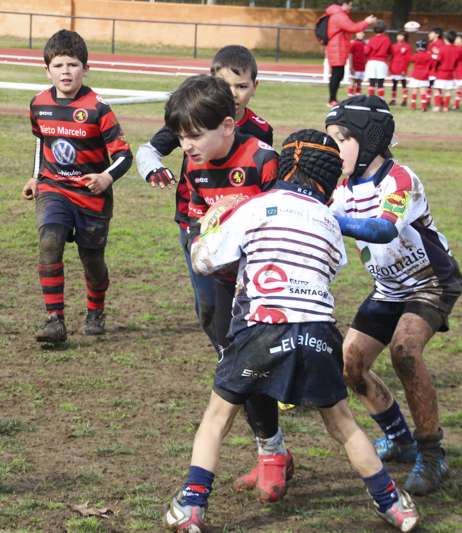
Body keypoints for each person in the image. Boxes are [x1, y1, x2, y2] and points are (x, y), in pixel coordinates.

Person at [162, 128, 419, 533]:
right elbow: (330, 269)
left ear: (283, 167)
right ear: (330, 180)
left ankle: (192, 505)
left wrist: (202, 228)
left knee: (217, 418)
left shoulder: (253, 206)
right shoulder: (331, 223)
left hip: (260, 329)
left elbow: (204, 262)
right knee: (342, 424)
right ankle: (392, 503)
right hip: (319, 331)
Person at [165, 74, 298, 504]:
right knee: (239, 369)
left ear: (227, 125)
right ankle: (272, 454)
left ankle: (276, 458)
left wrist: (240, 207)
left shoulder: (264, 160)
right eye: (180, 136)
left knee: (267, 372)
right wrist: (206, 227)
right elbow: (190, 217)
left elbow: (291, 218)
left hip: (267, 288)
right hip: (226, 285)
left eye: (194, 135)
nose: (186, 145)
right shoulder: (194, 164)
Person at [325, 95, 462, 496]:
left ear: (368, 140)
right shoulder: (341, 187)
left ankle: (433, 457)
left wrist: (328, 216)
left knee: (404, 350)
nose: (334, 149)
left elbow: (384, 229)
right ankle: (399, 438)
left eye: (340, 139)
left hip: (431, 282)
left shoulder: (400, 178)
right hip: (388, 288)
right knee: (352, 364)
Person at [135, 45, 273, 355]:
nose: (234, 94)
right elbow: (148, 150)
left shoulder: (261, 134)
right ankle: (229, 359)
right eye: (227, 85)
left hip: (244, 229)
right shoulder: (191, 117)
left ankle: (254, 365)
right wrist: (152, 167)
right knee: (208, 303)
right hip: (196, 221)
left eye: (242, 86)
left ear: (254, 87)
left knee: (251, 300)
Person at [22, 30, 132, 342]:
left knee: (92, 262)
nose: (66, 71)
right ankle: (54, 319)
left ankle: (95, 308)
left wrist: (105, 178)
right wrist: (35, 176)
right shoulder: (39, 104)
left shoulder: (98, 108)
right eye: (58, 65)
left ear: (86, 69)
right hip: (54, 189)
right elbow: (42, 141)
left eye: (73, 64)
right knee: (49, 243)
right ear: (47, 70)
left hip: (92, 197)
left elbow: (124, 155)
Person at [324, 0, 376, 106]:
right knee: (336, 74)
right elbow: (353, 28)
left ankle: (333, 98)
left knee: (338, 74)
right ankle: (332, 99)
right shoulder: (339, 15)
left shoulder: (338, 14)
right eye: (351, 5)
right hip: (337, 48)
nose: (352, 7)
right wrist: (366, 22)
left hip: (338, 48)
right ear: (344, 4)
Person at [433, 30, 458, 113]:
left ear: (446, 39)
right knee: (448, 91)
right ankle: (445, 107)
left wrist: (436, 68)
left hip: (441, 72)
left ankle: (437, 106)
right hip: (450, 73)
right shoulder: (455, 50)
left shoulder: (443, 48)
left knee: (437, 89)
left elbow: (439, 60)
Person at [364, 19, 391, 99]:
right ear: (384, 29)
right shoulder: (387, 39)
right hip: (382, 62)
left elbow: (366, 52)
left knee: (372, 82)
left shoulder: (371, 39)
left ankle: (370, 98)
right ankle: (380, 99)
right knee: (380, 82)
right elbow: (389, 51)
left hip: (372, 61)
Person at [407, 38, 432, 111]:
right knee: (423, 91)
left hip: (416, 75)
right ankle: (423, 107)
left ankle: (413, 106)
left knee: (415, 90)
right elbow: (431, 63)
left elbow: (411, 59)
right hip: (424, 75)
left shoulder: (416, 55)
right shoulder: (428, 55)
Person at [389, 30, 412, 106]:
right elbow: (391, 57)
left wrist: (404, 69)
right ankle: (393, 99)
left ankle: (404, 100)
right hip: (394, 67)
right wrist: (390, 68)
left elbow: (407, 59)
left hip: (402, 67)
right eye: (398, 35)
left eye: (401, 35)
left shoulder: (407, 47)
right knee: (394, 84)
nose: (399, 37)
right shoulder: (394, 46)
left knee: (403, 84)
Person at [427, 27, 443, 110]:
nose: (429, 35)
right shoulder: (430, 44)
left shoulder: (440, 44)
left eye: (431, 33)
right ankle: (428, 101)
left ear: (437, 34)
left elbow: (440, 57)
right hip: (430, 68)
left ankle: (441, 102)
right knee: (429, 85)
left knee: (436, 86)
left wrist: (435, 54)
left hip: (436, 69)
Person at [348, 31, 368, 97]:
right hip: (355, 66)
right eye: (359, 33)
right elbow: (350, 55)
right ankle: (350, 96)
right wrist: (351, 66)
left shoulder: (365, 44)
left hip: (362, 66)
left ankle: (358, 96)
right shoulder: (353, 44)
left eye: (362, 33)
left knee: (359, 82)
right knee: (353, 82)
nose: (361, 35)